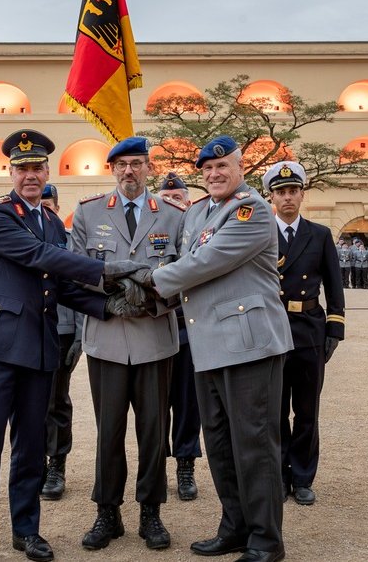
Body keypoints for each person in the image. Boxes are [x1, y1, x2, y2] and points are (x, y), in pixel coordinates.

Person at [0, 129, 145, 562]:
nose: (30, 175)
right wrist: (105, 270)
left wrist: (109, 305)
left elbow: (62, 287)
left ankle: (26, 531)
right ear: (11, 172)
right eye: (22, 168)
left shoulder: (53, 223)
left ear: (47, 173)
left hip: (39, 352)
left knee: (30, 452)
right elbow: (38, 257)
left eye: (37, 168)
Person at [124, 136, 294, 562]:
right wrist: (152, 292)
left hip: (249, 345)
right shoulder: (198, 211)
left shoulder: (252, 209)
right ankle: (235, 528)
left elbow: (204, 263)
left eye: (222, 166)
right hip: (207, 344)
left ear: (241, 169)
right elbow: (181, 265)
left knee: (254, 444)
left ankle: (266, 540)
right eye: (207, 169)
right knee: (218, 444)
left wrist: (146, 280)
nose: (214, 174)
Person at [71, 137, 188, 551]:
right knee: (109, 431)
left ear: (148, 168)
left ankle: (151, 512)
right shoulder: (88, 212)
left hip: (154, 336)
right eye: (121, 165)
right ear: (112, 170)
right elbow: (75, 269)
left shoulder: (174, 214)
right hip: (106, 337)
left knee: (154, 430)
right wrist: (112, 289)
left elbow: (187, 271)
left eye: (137, 164)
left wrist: (154, 299)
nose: (129, 172)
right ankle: (107, 512)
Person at [262, 161, 344, 508]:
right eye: (281, 192)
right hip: (273, 329)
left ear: (302, 195)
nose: (287, 197)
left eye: (293, 191)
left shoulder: (319, 234)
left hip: (309, 328)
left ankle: (303, 477)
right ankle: (280, 476)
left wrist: (334, 328)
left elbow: (334, 284)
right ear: (271, 197)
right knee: (276, 411)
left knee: (307, 410)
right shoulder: (260, 233)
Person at [157, 172, 203, 502]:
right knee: (155, 405)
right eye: (167, 199)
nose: (173, 203)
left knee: (188, 404)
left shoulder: (199, 231)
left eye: (178, 198)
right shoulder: (150, 230)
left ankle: (186, 465)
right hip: (157, 328)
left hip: (189, 329)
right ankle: (156, 464)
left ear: (187, 202)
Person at [39, 183, 84, 502]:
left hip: (62, 331)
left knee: (55, 400)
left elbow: (80, 290)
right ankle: (34, 464)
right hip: (27, 330)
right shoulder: (18, 238)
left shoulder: (69, 243)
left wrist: (81, 335)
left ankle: (56, 464)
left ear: (56, 208)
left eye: (48, 205)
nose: (43, 210)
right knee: (27, 402)